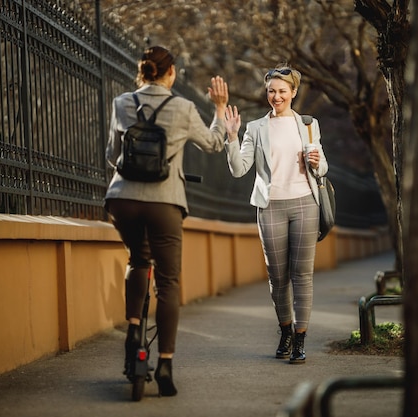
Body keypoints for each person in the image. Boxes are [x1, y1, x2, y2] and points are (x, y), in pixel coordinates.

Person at [104, 46, 229, 396]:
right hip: (164, 203)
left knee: (138, 259)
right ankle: (165, 366)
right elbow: (214, 143)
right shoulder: (183, 108)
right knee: (169, 281)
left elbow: (112, 156)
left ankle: (132, 331)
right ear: (171, 73)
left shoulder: (121, 103)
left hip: (122, 201)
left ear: (142, 72)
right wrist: (219, 108)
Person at [224, 66, 328, 364]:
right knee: (278, 277)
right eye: (271, 91)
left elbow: (321, 170)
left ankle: (300, 340)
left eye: (283, 91)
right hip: (270, 207)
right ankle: (285, 330)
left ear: (293, 92)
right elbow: (238, 169)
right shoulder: (256, 128)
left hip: (305, 204)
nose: (276, 96)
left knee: (303, 276)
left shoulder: (309, 125)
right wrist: (232, 136)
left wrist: (317, 161)